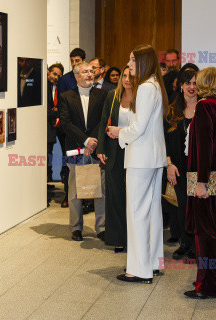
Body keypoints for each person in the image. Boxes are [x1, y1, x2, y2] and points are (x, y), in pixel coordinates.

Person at [107, 44, 168, 283]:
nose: (129, 65)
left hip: (141, 158)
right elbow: (146, 125)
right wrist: (125, 131)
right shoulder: (154, 85)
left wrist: (118, 133)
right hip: (153, 158)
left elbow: (138, 127)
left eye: (132, 60)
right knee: (151, 211)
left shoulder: (144, 87)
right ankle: (152, 263)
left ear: (143, 62)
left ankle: (138, 269)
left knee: (136, 213)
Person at [184, 67, 216, 299]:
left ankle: (208, 286)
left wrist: (201, 182)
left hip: (205, 177)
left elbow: (204, 146)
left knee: (205, 232)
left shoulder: (204, 106)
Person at [58, 61, 108, 241]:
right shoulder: (66, 97)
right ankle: (76, 227)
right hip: (76, 150)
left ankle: (101, 227)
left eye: (91, 71)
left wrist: (93, 142)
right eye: (85, 72)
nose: (89, 74)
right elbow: (66, 124)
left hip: (97, 149)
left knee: (100, 190)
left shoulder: (103, 95)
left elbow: (104, 121)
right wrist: (86, 140)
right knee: (75, 190)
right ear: (77, 76)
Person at [97, 66, 132, 253]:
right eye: (124, 76)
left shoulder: (142, 98)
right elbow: (104, 122)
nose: (126, 79)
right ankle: (118, 238)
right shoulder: (112, 96)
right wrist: (101, 148)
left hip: (135, 152)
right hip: (114, 152)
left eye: (130, 76)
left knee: (132, 197)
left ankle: (133, 238)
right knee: (115, 196)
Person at [165, 68, 198, 260]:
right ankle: (184, 243)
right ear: (181, 86)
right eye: (188, 83)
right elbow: (164, 140)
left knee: (196, 208)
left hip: (198, 167)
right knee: (182, 208)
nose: (191, 87)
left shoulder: (205, 107)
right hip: (177, 167)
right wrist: (169, 164)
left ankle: (196, 245)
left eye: (195, 83)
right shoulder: (172, 109)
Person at [57, 48, 86, 207]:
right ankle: (68, 195)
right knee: (69, 162)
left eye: (77, 60)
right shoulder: (65, 79)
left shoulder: (88, 77)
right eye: (72, 60)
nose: (74, 63)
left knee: (86, 163)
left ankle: (87, 198)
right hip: (68, 129)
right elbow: (62, 105)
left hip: (86, 129)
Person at [47, 63, 64, 183]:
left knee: (65, 153)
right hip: (48, 126)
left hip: (61, 126)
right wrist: (56, 112)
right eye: (54, 74)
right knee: (47, 154)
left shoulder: (62, 87)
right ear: (48, 72)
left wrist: (58, 112)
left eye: (59, 75)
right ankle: (47, 181)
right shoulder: (43, 86)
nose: (56, 77)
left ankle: (65, 180)